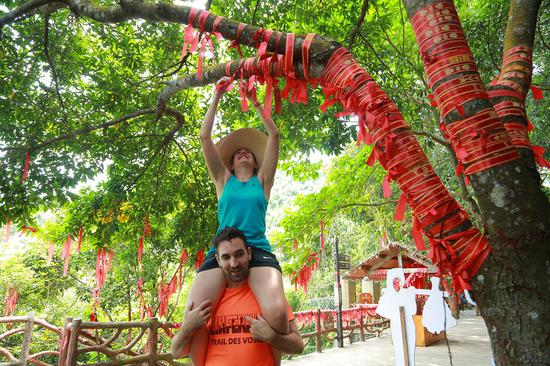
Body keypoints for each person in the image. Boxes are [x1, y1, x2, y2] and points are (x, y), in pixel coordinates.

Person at [186, 77, 287, 365]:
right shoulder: (223, 180)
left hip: (257, 249)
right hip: (223, 252)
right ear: (230, 164)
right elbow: (205, 137)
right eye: (238, 153)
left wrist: (255, 101)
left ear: (256, 163)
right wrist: (217, 94)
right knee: (195, 313)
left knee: (277, 313)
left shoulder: (262, 183)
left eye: (250, 153)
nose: (244, 151)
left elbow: (275, 136)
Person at [172, 228, 304, 365]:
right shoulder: (208, 300)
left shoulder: (267, 296)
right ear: (218, 260)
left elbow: (298, 346)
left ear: (249, 253)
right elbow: (176, 352)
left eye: (239, 254)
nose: (234, 263)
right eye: (226, 257)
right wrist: (187, 328)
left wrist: (272, 337)